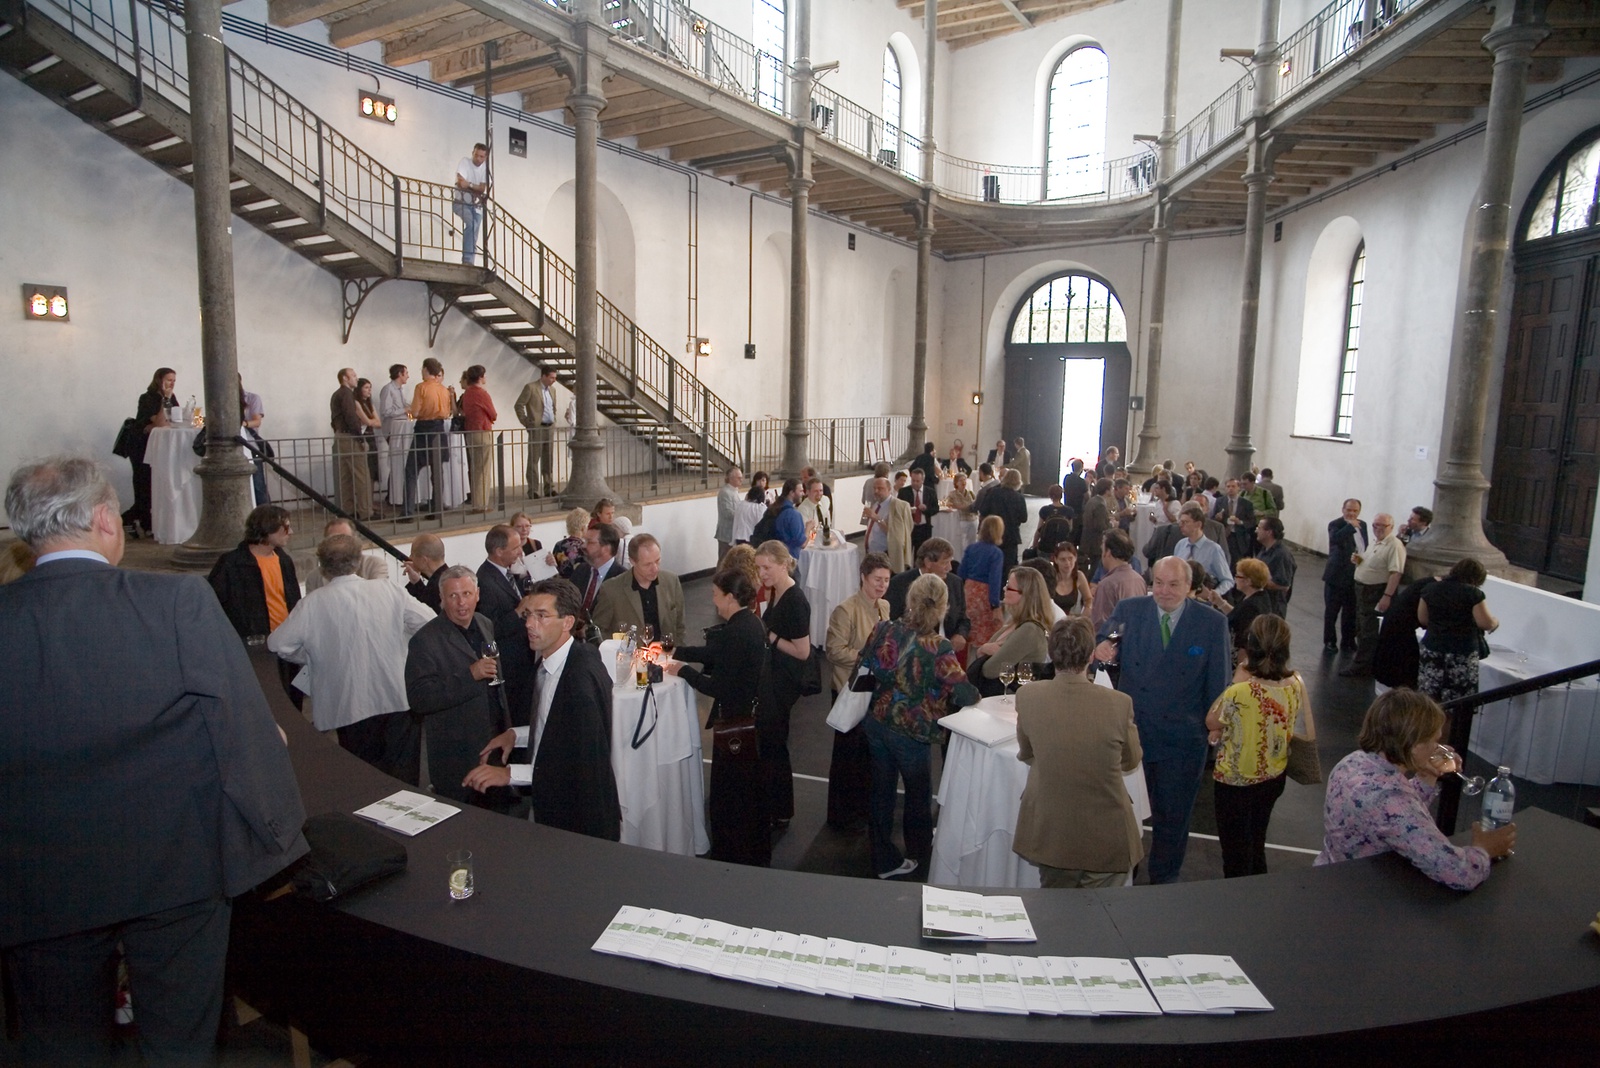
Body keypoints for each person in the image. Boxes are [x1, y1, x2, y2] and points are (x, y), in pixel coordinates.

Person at [0, 456, 306, 1066]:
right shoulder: (175, 601)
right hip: (175, 869)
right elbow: (241, 727)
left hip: (35, 880)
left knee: (58, 1042)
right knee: (180, 1040)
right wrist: (279, 836)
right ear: (104, 519)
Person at [1094, 556, 1231, 883]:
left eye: (1173, 584)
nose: (1164, 591)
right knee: (1124, 815)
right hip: (1133, 737)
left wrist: (1213, 731)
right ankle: (1123, 875)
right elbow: (1104, 639)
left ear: (1190, 587)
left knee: (1173, 819)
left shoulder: (1211, 623)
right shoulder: (1129, 611)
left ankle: (1163, 882)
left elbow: (1219, 685)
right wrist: (1102, 647)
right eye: (1158, 583)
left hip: (1182, 743)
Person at [465, 577, 622, 839]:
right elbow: (558, 725)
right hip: (553, 806)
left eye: (541, 616)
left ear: (567, 622)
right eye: (528, 614)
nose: (529, 624)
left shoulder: (579, 679)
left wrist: (508, 774)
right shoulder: (554, 662)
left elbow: (577, 761)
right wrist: (516, 735)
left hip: (577, 820)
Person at [269, 534, 434, 779]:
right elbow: (428, 622)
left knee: (365, 779)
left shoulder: (312, 603)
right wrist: (401, 639)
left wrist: (313, 656)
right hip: (395, 695)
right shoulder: (387, 589)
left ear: (323, 567)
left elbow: (277, 644)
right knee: (405, 777)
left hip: (347, 704)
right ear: (358, 561)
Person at [1316, 689, 1515, 890]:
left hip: (1333, 877)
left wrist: (1427, 776)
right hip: (1365, 894)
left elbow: (1398, 820)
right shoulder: (1389, 800)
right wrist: (1484, 850)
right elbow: (1457, 872)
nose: (1439, 747)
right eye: (1435, 741)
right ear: (1413, 745)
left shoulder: (1352, 762)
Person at [860, 573, 980, 879]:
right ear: (942, 607)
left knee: (881, 792)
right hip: (912, 731)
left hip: (877, 720)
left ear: (910, 599)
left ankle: (882, 860)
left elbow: (867, 662)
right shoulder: (938, 647)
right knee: (917, 795)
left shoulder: (885, 628)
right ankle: (919, 854)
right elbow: (964, 693)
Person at [1013, 617, 1143, 889]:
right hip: (1106, 832)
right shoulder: (1119, 703)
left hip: (1051, 831)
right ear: (1091, 655)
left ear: (1051, 653)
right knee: (1103, 910)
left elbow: (1027, 752)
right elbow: (1131, 760)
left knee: (1055, 907)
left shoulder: (1028, 696)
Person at [666, 567, 771, 864]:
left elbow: (717, 687)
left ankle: (733, 854)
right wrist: (675, 650)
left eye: (715, 594)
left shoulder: (736, 632)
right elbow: (713, 653)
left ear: (730, 597)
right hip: (751, 718)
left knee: (732, 796)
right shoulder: (749, 623)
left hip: (736, 723)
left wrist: (681, 671)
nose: (712, 600)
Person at [404, 566, 513, 808]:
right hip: (457, 752)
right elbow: (419, 698)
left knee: (500, 816)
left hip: (495, 743)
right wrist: (469, 675)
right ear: (441, 599)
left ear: (478, 595)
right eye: (453, 596)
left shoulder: (484, 623)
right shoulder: (425, 640)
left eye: (466, 594)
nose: (461, 603)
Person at [1205, 615, 1305, 878]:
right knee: (1256, 840)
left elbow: (1212, 719)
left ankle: (1238, 895)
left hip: (1236, 781)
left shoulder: (1241, 691)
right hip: (1273, 775)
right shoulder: (1294, 684)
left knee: (1235, 851)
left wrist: (1237, 678)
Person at [207, 503, 302, 708]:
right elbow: (213, 603)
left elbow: (293, 600)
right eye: (286, 527)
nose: (291, 532)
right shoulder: (232, 563)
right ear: (268, 528)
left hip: (286, 643)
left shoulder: (284, 560)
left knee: (292, 701)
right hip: (255, 648)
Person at [823, 551, 892, 831]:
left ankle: (861, 807)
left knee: (866, 755)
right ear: (863, 577)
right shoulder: (846, 610)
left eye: (886, 580)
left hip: (872, 691)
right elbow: (834, 650)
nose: (882, 585)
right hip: (848, 691)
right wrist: (869, 658)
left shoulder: (884, 606)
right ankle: (841, 815)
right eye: (877, 579)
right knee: (846, 757)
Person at [755, 539, 811, 828]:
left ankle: (781, 809)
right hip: (774, 679)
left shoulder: (794, 600)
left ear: (783, 565)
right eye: (759, 568)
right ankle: (773, 804)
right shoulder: (777, 592)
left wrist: (770, 636)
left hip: (784, 683)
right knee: (771, 745)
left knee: (776, 747)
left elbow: (803, 652)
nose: (762, 574)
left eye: (767, 567)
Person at [477, 524, 539, 729]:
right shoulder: (486, 581)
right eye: (515, 548)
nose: (520, 551)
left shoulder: (508, 572)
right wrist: (518, 612)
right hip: (509, 663)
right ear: (498, 551)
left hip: (523, 657)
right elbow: (489, 629)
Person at [1417, 558, 1499, 705]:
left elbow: (1422, 619)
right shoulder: (1473, 594)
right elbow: (1485, 623)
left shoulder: (1430, 589)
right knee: (1458, 702)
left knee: (1430, 699)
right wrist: (1495, 622)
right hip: (1461, 652)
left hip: (1432, 648)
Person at [591, 532, 686, 643]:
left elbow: (680, 626)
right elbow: (599, 631)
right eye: (647, 564)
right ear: (632, 561)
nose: (655, 568)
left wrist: (677, 650)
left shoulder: (671, 581)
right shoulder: (611, 590)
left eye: (657, 561)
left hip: (665, 652)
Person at [1343, 512, 1406, 677]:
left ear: (1391, 527)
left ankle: (1362, 666)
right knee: (1361, 626)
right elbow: (1371, 564)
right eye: (1375, 525)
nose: (1377, 528)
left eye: (1382, 525)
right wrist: (1359, 560)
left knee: (1368, 631)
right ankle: (1363, 661)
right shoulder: (1375, 542)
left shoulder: (1394, 545)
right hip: (1363, 590)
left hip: (1375, 591)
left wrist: (1387, 596)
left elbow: (1396, 573)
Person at [972, 565, 1053, 692]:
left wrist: (984, 649)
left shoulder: (1029, 630)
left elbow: (990, 670)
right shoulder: (1014, 622)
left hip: (1010, 697)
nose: (1004, 589)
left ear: (1025, 595)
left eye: (1009, 587)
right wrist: (984, 649)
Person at [886, 537, 970, 657]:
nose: (950, 568)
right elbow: (893, 622)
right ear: (928, 562)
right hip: (912, 653)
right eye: (945, 563)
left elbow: (963, 618)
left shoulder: (955, 583)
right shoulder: (899, 584)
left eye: (950, 562)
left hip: (947, 651)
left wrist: (961, 634)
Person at [121, 366, 178, 537]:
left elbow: (175, 420)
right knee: (144, 487)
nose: (172, 384)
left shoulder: (172, 397)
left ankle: (142, 523)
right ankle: (131, 520)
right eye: (169, 380)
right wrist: (165, 400)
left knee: (154, 487)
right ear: (159, 380)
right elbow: (161, 422)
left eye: (174, 381)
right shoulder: (147, 398)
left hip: (158, 448)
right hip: (141, 447)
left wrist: (158, 423)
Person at [1373, 575, 1438, 691]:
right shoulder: (1431, 588)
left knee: (1398, 671)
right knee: (1405, 672)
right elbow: (1423, 619)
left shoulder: (1426, 583)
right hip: (1401, 629)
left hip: (1396, 625)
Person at [1202, 557, 1276, 658]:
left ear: (1248, 581)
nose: (1235, 579)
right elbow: (1238, 615)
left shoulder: (1252, 607)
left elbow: (1244, 641)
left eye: (1238, 576)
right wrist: (1220, 602)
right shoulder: (1255, 596)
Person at [1323, 498, 1367, 654]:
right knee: (1332, 611)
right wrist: (1350, 526)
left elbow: (1364, 546)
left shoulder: (1363, 525)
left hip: (1355, 575)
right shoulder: (1336, 524)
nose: (1352, 513)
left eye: (1355, 511)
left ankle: (1348, 640)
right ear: (1343, 510)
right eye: (1349, 510)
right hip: (1336, 575)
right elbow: (1335, 539)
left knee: (1351, 611)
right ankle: (1330, 641)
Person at [330, 366, 373, 521]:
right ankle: (365, 511)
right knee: (362, 476)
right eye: (353, 375)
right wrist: (360, 438)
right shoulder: (347, 394)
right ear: (345, 378)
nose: (356, 378)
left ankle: (347, 510)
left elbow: (335, 419)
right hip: (350, 437)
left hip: (340, 436)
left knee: (345, 477)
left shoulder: (336, 394)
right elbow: (351, 417)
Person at [303, 516, 389, 592]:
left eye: (346, 538)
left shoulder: (375, 565)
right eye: (334, 539)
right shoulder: (314, 578)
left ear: (355, 540)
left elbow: (379, 594)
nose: (340, 544)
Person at [514, 364, 562, 498]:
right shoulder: (531, 388)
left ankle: (549, 487)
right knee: (534, 459)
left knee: (548, 459)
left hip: (549, 427)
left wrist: (554, 419)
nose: (554, 380)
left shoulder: (552, 390)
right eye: (551, 377)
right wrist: (526, 422)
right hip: (537, 427)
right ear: (543, 376)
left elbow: (552, 407)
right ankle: (533, 489)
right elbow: (519, 405)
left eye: (555, 378)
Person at [961, 514, 1007, 648]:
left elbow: (961, 572)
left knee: (970, 626)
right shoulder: (996, 553)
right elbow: (995, 579)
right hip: (985, 594)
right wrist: (995, 605)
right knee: (988, 631)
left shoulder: (971, 548)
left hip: (969, 590)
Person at [1171, 503, 1233, 595]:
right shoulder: (1180, 545)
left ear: (1198, 525)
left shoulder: (1213, 549)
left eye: (1185, 522)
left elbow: (1227, 580)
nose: (1181, 525)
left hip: (1202, 596)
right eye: (1180, 522)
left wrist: (1213, 594)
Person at [1090, 530, 1146, 631]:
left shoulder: (1107, 585)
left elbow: (1100, 626)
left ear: (1108, 552)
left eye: (1102, 549)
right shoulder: (1140, 580)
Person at [459, 364, 496, 513]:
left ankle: (477, 502)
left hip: (470, 431)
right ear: (480, 377)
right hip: (482, 431)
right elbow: (493, 414)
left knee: (475, 468)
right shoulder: (482, 393)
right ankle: (481, 505)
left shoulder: (467, 393)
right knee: (483, 470)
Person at [572, 521, 623, 621]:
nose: (583, 546)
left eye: (590, 542)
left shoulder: (621, 578)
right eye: (584, 541)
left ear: (606, 549)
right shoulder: (581, 570)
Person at [862, 474, 912, 572]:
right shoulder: (876, 505)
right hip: (872, 553)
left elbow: (897, 535)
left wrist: (877, 518)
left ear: (889, 489)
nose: (876, 491)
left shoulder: (897, 506)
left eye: (880, 488)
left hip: (886, 554)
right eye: (874, 488)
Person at [378, 363, 412, 508]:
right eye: (406, 373)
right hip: (393, 430)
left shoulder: (400, 390)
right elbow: (386, 411)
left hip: (401, 429)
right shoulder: (388, 389)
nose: (408, 376)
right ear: (399, 374)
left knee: (401, 461)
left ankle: (398, 494)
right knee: (396, 462)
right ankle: (392, 495)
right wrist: (405, 409)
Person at [981, 468, 1029, 569]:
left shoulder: (993, 492)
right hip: (1011, 536)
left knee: (991, 564)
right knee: (1009, 566)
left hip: (993, 532)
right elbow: (1024, 518)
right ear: (1018, 482)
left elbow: (983, 510)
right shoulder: (1019, 497)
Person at [1253, 515, 1296, 615]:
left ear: (1269, 532)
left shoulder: (1281, 554)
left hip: (1273, 607)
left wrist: (1255, 580)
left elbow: (1284, 585)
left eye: (1259, 528)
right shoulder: (1264, 549)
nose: (1256, 531)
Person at [454, 141, 488, 265]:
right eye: (476, 155)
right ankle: (467, 260)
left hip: (477, 205)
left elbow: (482, 188)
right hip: (461, 202)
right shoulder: (465, 162)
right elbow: (461, 183)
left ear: (486, 157)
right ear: (472, 153)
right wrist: (474, 188)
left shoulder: (485, 168)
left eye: (481, 156)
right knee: (471, 224)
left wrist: (469, 184)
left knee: (475, 230)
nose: (478, 159)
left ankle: (470, 260)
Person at [239, 375, 271, 504]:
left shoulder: (252, 398)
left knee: (258, 485)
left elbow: (257, 422)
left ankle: (265, 512)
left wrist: (243, 424)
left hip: (251, 445)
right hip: (234, 447)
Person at [1210, 478, 1257, 564]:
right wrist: (1217, 518)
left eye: (1233, 486)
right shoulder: (1219, 501)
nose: (1230, 489)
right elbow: (1212, 519)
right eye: (1228, 486)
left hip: (1238, 536)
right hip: (1224, 535)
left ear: (1238, 488)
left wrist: (1240, 522)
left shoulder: (1246, 504)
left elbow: (1252, 522)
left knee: (1237, 562)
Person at [403, 531, 448, 612]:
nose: (410, 558)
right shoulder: (445, 577)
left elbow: (423, 611)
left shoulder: (438, 587)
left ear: (424, 560)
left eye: (412, 554)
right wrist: (416, 582)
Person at [899, 466, 939, 552]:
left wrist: (926, 508)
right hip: (909, 527)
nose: (915, 483)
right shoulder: (903, 492)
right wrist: (908, 510)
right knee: (906, 552)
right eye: (913, 480)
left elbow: (936, 508)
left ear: (923, 480)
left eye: (917, 481)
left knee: (922, 553)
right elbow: (898, 509)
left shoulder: (930, 492)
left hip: (924, 528)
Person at [1048, 540, 1092, 618]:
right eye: (1063, 559)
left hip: (1071, 620)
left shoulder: (1079, 576)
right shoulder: (1050, 578)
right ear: (1055, 560)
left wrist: (1084, 614)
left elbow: (1088, 599)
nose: (1067, 563)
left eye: (1070, 558)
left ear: (1075, 558)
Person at [1079, 477, 1113, 568]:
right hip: (1095, 543)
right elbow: (1100, 526)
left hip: (1087, 539)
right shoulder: (1100, 505)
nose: (1113, 490)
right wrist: (1112, 524)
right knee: (1096, 568)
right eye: (1111, 488)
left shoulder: (1092, 500)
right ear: (1107, 490)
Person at [549, 507, 589, 579]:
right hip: (576, 582)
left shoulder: (559, 545)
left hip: (560, 583)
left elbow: (554, 569)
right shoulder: (584, 547)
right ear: (583, 528)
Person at [715, 465, 743, 559]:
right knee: (724, 560)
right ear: (731, 478)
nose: (741, 480)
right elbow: (727, 513)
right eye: (739, 478)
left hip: (733, 532)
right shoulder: (725, 492)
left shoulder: (734, 491)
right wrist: (742, 515)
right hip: (726, 534)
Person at [732, 477, 768, 546]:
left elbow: (736, 522)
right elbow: (761, 525)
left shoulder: (741, 505)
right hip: (752, 538)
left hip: (739, 537)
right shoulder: (760, 508)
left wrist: (733, 540)